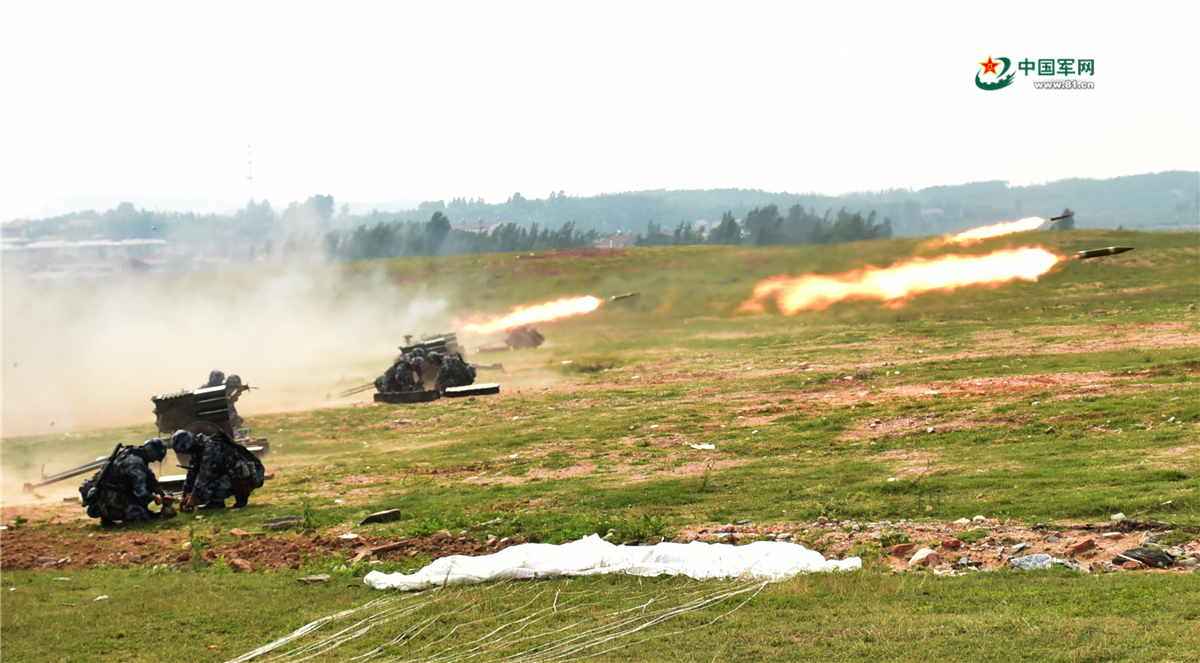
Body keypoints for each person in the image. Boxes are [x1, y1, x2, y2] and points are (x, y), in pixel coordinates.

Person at [79, 438, 170, 525]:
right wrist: (154, 498)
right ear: (151, 454)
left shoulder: (136, 455)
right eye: (153, 458)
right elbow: (140, 492)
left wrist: (163, 494)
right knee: (140, 516)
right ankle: (108, 514)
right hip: (112, 498)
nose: (153, 461)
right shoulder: (135, 463)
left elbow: (150, 478)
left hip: (115, 495)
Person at [173, 429, 265, 511]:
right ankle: (216, 503)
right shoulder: (197, 450)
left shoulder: (211, 447)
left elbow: (205, 474)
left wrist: (192, 498)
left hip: (240, 477)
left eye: (185, 450)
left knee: (203, 492)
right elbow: (192, 473)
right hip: (227, 475)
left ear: (190, 445)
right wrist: (183, 496)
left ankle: (241, 498)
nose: (185, 453)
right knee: (200, 490)